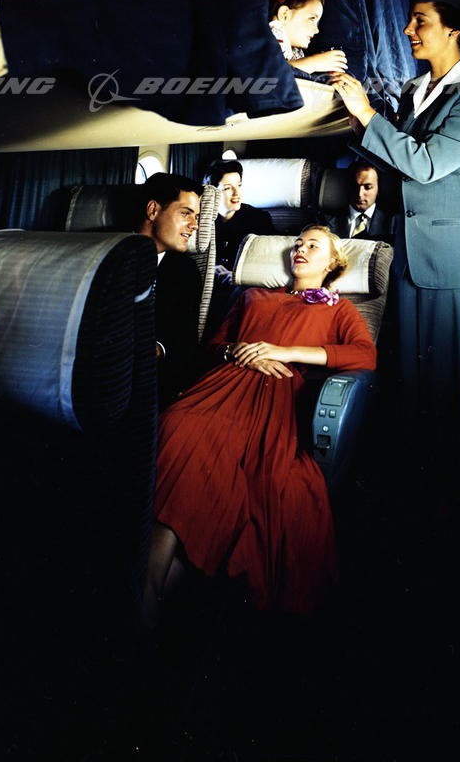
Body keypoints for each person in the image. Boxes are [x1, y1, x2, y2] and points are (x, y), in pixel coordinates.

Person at [328, 0, 460, 526]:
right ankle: (430, 501)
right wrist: (354, 119)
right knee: (422, 385)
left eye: (420, 21)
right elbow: (396, 162)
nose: (409, 29)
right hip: (413, 256)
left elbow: (428, 165)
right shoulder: (416, 91)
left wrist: (368, 116)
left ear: (453, 29)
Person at [142, 225, 376, 626]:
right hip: (222, 384)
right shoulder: (252, 296)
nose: (301, 249)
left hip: (275, 395)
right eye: (298, 243)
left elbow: (364, 355)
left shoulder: (340, 310)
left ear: (332, 263)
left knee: (239, 464)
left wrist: (284, 352)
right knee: (177, 426)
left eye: (313, 245)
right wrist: (236, 351)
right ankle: (151, 589)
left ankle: (149, 590)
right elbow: (213, 346)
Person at [133, 172, 203, 405]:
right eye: (186, 213)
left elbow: (183, 340)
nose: (194, 225)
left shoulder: (186, 271)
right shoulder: (107, 254)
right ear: (153, 210)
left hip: (151, 378)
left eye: (196, 217)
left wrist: (154, 349)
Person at [268, 0, 347, 78]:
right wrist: (313, 63)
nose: (317, 30)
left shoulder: (293, 50)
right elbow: (272, 72)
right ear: (284, 15)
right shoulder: (269, 39)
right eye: (311, 19)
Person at [321, 159, 395, 242]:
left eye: (367, 187)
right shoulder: (324, 221)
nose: (360, 194)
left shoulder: (394, 223)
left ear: (379, 189)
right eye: (354, 186)